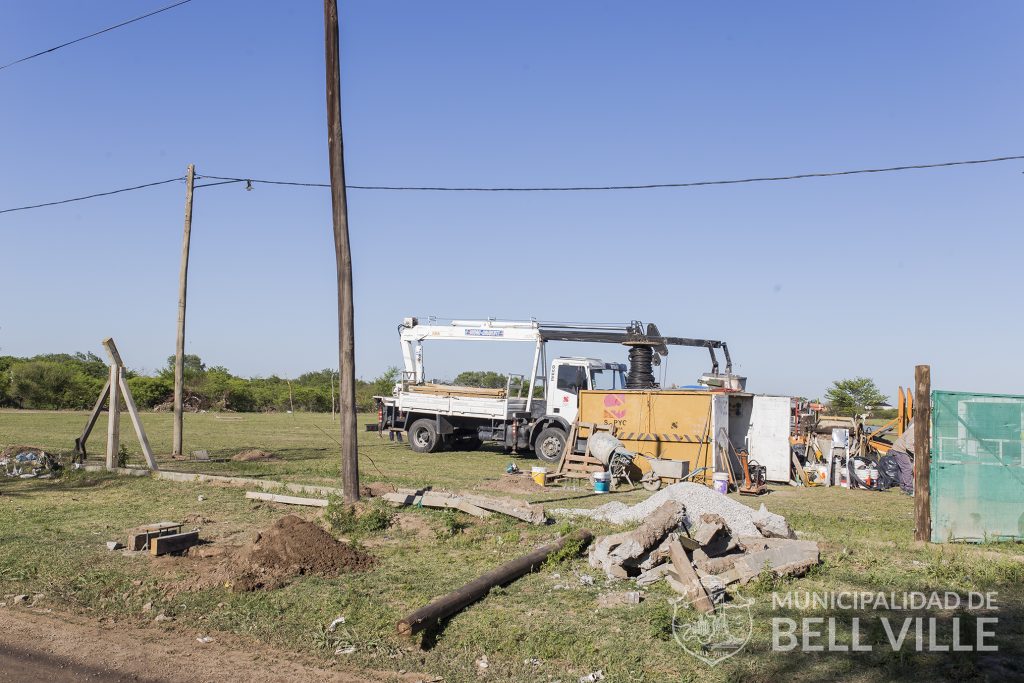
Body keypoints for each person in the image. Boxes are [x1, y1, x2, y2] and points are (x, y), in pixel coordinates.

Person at [887, 419, 915, 495]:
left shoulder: (914, 429)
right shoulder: (913, 431)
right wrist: (917, 453)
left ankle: (903, 487)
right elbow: (909, 446)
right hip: (900, 450)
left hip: (898, 449)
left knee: (903, 469)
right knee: (907, 468)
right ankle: (909, 488)